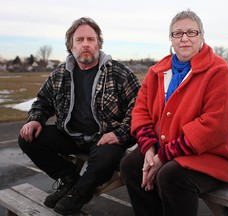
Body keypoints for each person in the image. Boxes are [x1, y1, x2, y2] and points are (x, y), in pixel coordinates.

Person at [120, 9, 228, 216]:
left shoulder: (218, 70)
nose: (184, 38)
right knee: (131, 165)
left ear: (202, 36)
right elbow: (141, 110)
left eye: (191, 32)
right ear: (171, 38)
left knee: (170, 176)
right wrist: (149, 148)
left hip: (211, 155)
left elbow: (214, 126)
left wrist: (163, 155)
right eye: (178, 33)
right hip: (164, 147)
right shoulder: (157, 71)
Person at [18, 17, 141, 215]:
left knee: (108, 155)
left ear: (98, 43)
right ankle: (68, 178)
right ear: (70, 45)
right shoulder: (60, 73)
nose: (86, 44)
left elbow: (139, 110)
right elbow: (43, 101)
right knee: (27, 137)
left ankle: (79, 193)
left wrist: (119, 134)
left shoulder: (119, 72)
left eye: (91, 39)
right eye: (80, 39)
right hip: (69, 135)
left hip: (104, 138)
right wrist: (35, 118)